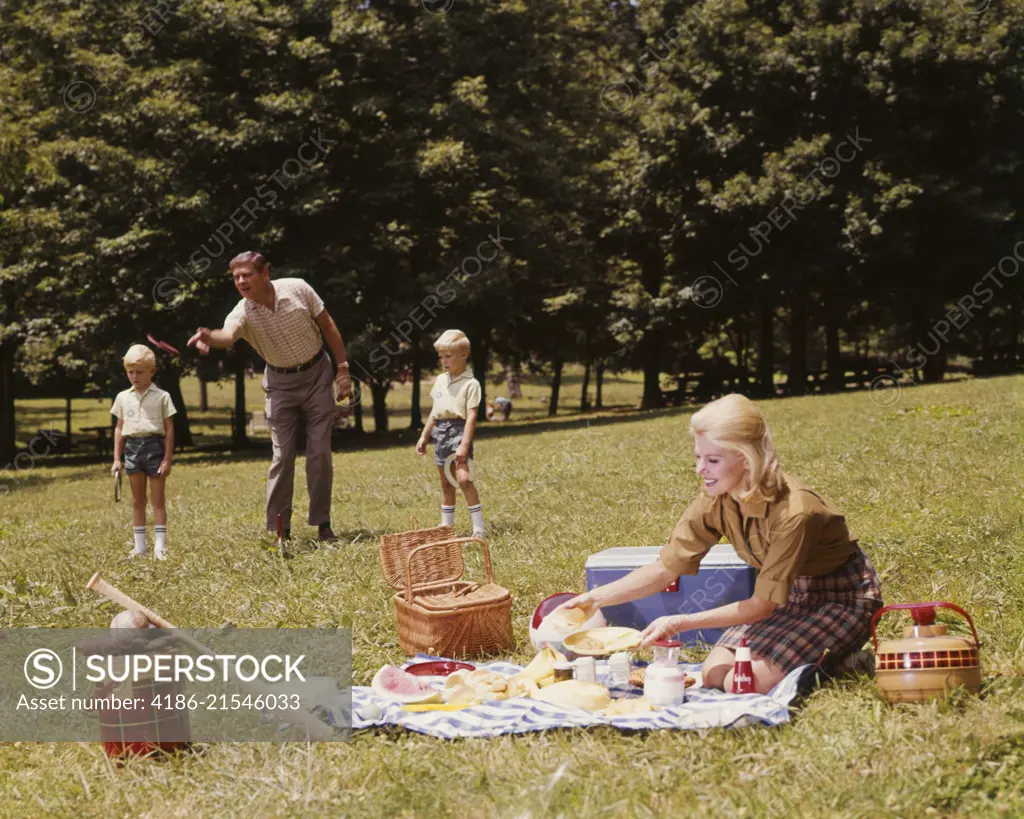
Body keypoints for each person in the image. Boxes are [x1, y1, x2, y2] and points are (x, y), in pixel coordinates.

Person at [559, 393, 883, 693]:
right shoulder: (716, 498)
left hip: (841, 597)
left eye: (712, 460)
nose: (701, 469)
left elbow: (760, 606)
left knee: (745, 683)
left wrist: (680, 621)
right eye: (698, 457)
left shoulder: (795, 512)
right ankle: (815, 660)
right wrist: (593, 599)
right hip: (788, 596)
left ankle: (842, 662)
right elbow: (664, 569)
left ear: (746, 458)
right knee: (716, 673)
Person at [187, 251, 351, 545]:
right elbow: (228, 334)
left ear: (265, 273)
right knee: (282, 457)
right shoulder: (243, 311)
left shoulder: (299, 289)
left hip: (317, 375)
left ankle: (323, 525)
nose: (240, 281)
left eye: (246, 275)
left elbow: (328, 326)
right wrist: (210, 337)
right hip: (279, 385)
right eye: (236, 277)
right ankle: (281, 532)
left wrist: (342, 370)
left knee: (319, 454)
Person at [415, 330, 486, 536]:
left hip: (459, 431)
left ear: (464, 354)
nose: (444, 361)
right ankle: (447, 527)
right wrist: (424, 436)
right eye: (441, 357)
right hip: (441, 433)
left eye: (448, 356)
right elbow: (435, 413)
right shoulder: (439, 380)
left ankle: (479, 528)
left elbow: (472, 416)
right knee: (446, 483)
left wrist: (464, 444)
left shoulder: (471, 384)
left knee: (463, 479)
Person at [110, 344, 177, 560]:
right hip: (132, 450)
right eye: (131, 372)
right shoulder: (122, 397)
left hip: (155, 448)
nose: (135, 376)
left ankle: (160, 547)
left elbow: (169, 429)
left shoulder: (162, 396)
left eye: (140, 372)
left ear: (152, 371)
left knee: (158, 500)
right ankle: (140, 547)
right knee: (138, 501)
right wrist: (117, 459)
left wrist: (167, 458)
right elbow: (119, 428)